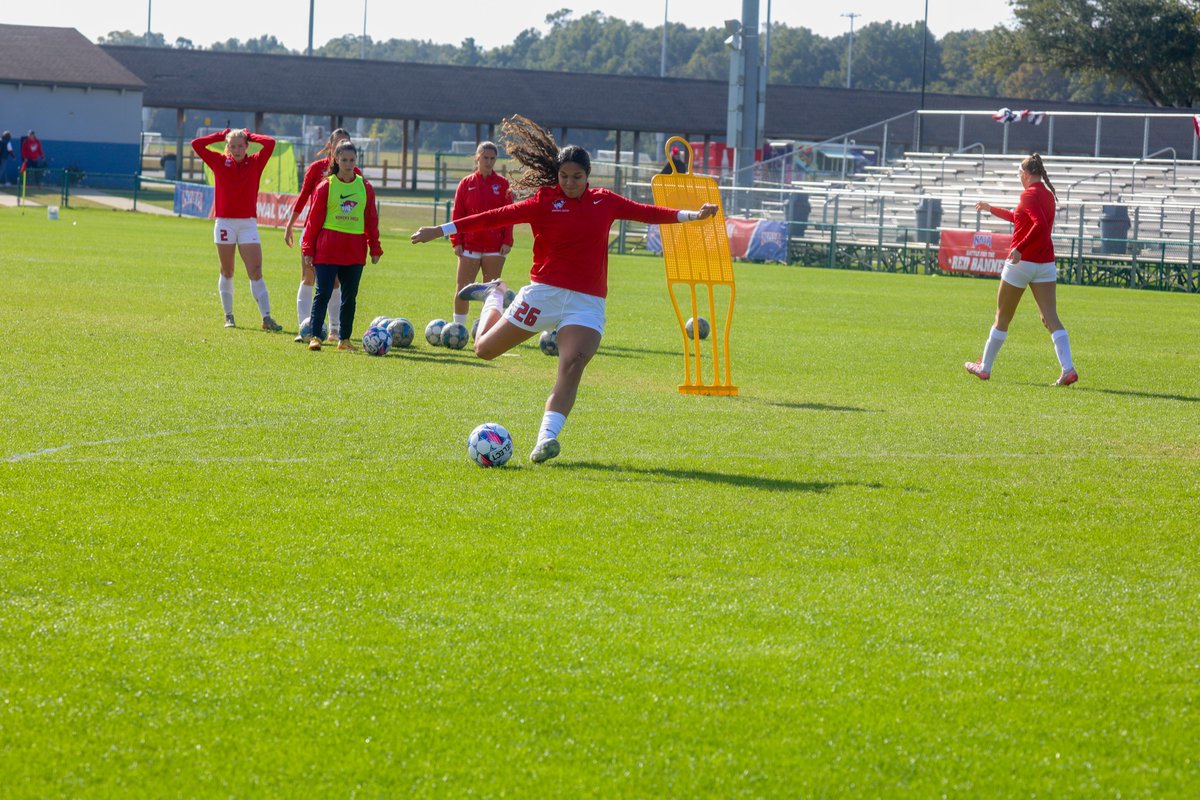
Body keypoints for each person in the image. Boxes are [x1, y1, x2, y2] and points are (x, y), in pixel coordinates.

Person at [410, 115, 718, 463]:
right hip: (544, 295)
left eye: (577, 177)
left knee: (573, 364)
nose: (570, 183)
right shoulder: (544, 201)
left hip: (586, 302)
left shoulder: (605, 201)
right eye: (564, 176)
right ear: (556, 175)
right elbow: (493, 217)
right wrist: (441, 230)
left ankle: (546, 439)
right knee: (483, 350)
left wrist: (693, 215)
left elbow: (646, 212)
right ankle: (495, 294)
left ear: (588, 176)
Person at [967, 153, 1076, 386]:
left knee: (1002, 318)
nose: (1019, 177)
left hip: (1021, 263)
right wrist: (990, 208)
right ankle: (1068, 369)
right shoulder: (1047, 195)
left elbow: (1039, 225)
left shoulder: (1028, 194)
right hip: (1045, 264)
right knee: (1050, 318)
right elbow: (1020, 219)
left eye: (1019, 173)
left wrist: (1019, 248)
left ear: (1026, 174)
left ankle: (984, 368)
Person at [191, 127, 283, 331]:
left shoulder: (255, 162)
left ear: (247, 146)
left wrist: (248, 134)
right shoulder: (218, 161)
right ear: (228, 147)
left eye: (241, 146)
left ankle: (267, 318)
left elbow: (270, 143)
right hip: (224, 222)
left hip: (247, 223)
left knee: (256, 270)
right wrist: (222, 134)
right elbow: (196, 144)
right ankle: (229, 316)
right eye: (232, 146)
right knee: (227, 270)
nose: (237, 150)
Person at [300, 140, 382, 351]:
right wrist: (308, 248)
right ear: (336, 159)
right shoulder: (326, 186)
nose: (348, 164)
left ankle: (344, 340)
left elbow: (371, 219)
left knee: (349, 297)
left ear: (356, 160)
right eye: (344, 160)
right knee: (323, 293)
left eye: (352, 160)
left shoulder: (365, 187)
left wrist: (375, 247)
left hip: (354, 249)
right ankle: (315, 337)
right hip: (328, 248)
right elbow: (313, 221)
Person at [284, 128, 358, 343]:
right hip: (313, 231)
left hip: (337, 236)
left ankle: (334, 329)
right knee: (308, 277)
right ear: (330, 146)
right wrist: (290, 224)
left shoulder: (354, 172)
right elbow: (303, 196)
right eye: (338, 143)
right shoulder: (317, 168)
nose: (342, 147)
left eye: (346, 143)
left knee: (334, 281)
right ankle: (304, 328)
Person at [449, 141, 513, 329]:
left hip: (495, 247)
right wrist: (456, 241)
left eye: (492, 158)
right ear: (477, 158)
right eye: (485, 157)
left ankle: (486, 329)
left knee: (492, 292)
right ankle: (458, 329)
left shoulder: (503, 184)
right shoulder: (466, 183)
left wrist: (507, 240)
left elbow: (509, 215)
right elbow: (457, 214)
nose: (489, 162)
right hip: (469, 246)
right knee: (463, 289)